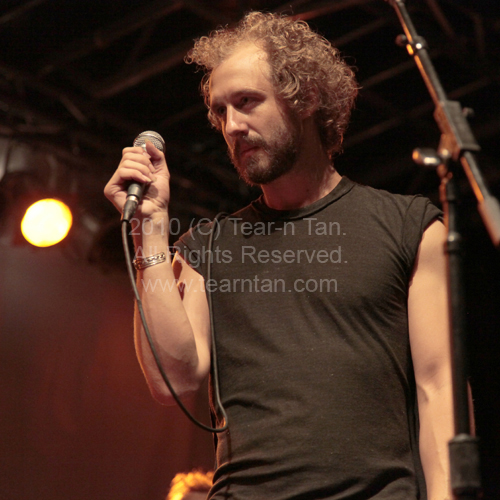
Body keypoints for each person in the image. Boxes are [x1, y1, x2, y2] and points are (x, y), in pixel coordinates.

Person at [105, 12, 455, 500]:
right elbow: (172, 381)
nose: (232, 126)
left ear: (305, 97)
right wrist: (151, 229)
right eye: (220, 111)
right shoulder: (206, 248)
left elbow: (441, 389)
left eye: (247, 102)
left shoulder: (409, 227)